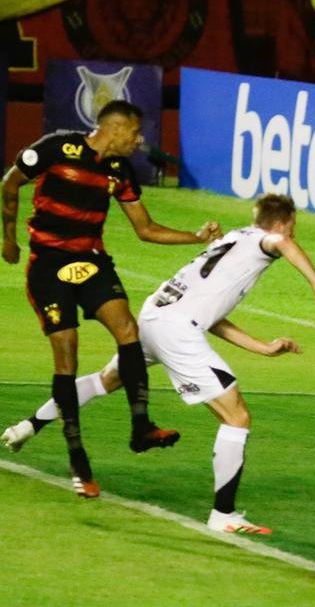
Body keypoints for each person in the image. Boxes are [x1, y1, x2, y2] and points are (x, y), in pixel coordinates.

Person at [3, 193, 315, 533]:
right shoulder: (266, 241)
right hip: (176, 329)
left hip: (156, 316)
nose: (292, 235)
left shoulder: (234, 240)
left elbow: (212, 316)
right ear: (282, 222)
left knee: (106, 380)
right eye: (292, 227)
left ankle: (27, 427)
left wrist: (262, 348)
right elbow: (281, 243)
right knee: (237, 416)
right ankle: (224, 515)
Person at [1, 100, 222, 498]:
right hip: (49, 265)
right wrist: (9, 238)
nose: (139, 141)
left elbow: (146, 228)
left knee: (128, 330)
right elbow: (10, 182)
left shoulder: (119, 171)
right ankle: (77, 458)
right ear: (114, 128)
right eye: (135, 132)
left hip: (91, 260)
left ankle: (141, 427)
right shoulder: (57, 148)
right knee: (67, 352)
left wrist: (196, 237)